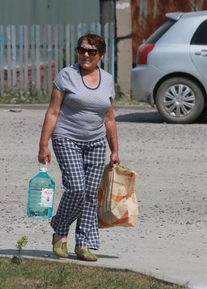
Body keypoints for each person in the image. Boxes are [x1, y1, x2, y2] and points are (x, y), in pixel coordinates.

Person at [37, 32, 119, 262]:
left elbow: (109, 117)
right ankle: (60, 231)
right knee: (76, 188)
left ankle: (82, 244)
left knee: (91, 194)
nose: (85, 55)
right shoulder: (67, 75)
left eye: (91, 51)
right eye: (82, 50)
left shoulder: (108, 79)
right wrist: (44, 145)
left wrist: (115, 149)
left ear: (100, 55)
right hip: (66, 138)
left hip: (95, 142)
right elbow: (53, 111)